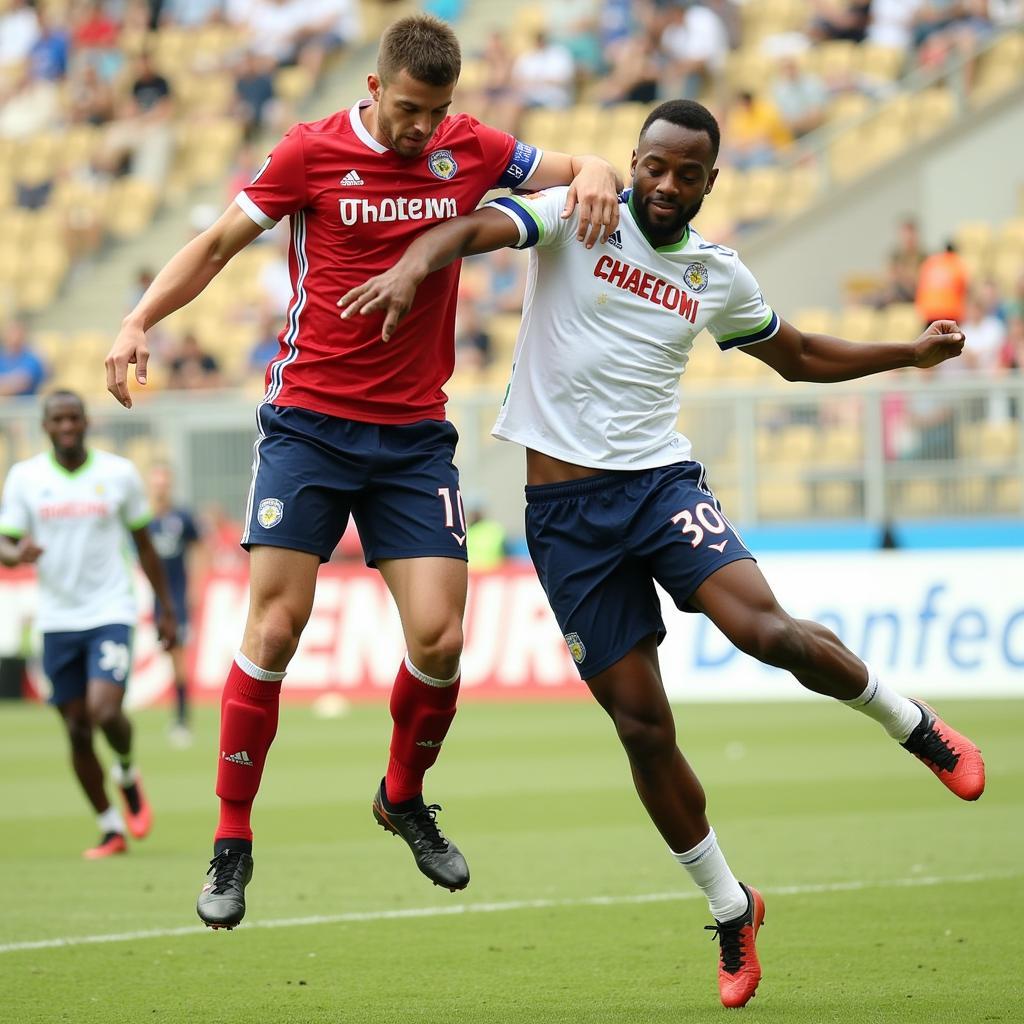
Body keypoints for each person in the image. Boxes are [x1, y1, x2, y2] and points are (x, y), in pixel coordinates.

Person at [339, 98, 986, 1010]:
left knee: (766, 631)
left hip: (658, 488)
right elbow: (480, 224)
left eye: (688, 174)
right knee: (643, 728)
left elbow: (795, 355)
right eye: (654, 166)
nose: (667, 185)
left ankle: (911, 724)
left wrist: (905, 355)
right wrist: (414, 261)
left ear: (711, 183)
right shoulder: (577, 213)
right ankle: (732, 907)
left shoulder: (716, 273)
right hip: (564, 520)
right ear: (633, 162)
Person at [103, 13, 621, 930]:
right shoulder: (309, 153)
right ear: (377, 90)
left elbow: (579, 166)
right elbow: (219, 245)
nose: (425, 130)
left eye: (440, 113)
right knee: (276, 624)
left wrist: (602, 173)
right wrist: (138, 319)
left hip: (414, 436)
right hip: (308, 424)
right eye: (412, 111)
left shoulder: (470, 147)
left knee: (441, 640)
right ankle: (232, 843)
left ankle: (401, 795)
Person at [0, 391, 177, 858]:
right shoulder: (26, 478)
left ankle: (125, 770)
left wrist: (167, 607)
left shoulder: (117, 474)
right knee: (76, 729)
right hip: (56, 619)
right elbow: (5, 541)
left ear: (86, 422)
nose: (66, 426)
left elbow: (143, 544)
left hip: (109, 612)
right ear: (45, 426)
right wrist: (16, 554)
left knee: (104, 711)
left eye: (73, 418)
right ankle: (109, 826)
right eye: (57, 419)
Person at [148, 461, 205, 746]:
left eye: (164, 483)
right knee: (169, 656)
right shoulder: (143, 519)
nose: (160, 488)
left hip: (177, 600)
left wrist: (196, 586)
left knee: (178, 659)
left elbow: (200, 547)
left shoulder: (181, 517)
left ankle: (183, 719)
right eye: (156, 483)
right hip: (154, 601)